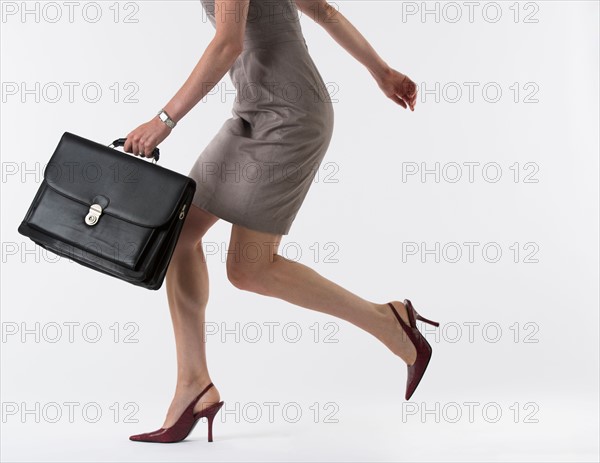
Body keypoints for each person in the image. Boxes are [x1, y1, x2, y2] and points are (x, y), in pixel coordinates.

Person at [125, 0, 435, 444]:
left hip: (292, 119)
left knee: (250, 269)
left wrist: (164, 120)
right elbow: (322, 10)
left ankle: (389, 321)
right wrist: (382, 72)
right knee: (178, 235)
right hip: (250, 113)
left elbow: (229, 43)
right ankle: (194, 385)